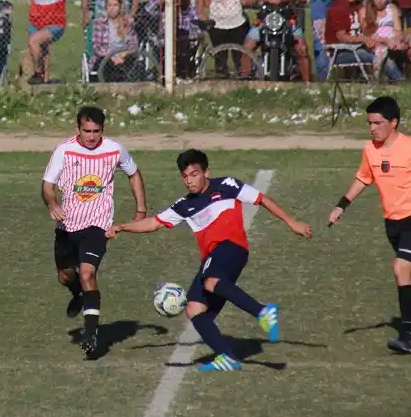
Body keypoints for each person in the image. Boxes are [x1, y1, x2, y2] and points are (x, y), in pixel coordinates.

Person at [107, 149, 312, 371]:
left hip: (231, 247)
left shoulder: (227, 185)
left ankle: (262, 311)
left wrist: (292, 222)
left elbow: (261, 199)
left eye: (194, 174)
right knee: (195, 308)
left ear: (206, 172)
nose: (189, 181)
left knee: (210, 281)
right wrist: (122, 226)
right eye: (185, 176)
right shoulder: (184, 205)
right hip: (214, 257)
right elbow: (154, 223)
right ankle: (228, 357)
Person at [41, 106, 147, 357]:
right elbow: (47, 186)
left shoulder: (114, 149)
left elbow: (133, 174)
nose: (91, 136)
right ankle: (77, 292)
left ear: (103, 129)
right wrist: (53, 203)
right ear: (78, 129)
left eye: (96, 131)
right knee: (66, 276)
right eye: (86, 131)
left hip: (97, 225)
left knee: (88, 273)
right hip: (68, 226)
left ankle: (91, 334)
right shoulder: (64, 150)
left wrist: (141, 209)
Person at [328, 97, 411, 353]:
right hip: (392, 223)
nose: (372, 128)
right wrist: (341, 205)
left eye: (378, 123)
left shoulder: (409, 148)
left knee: (401, 268)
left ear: (393, 123)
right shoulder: (370, 150)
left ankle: (408, 335)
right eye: (369, 123)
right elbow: (364, 179)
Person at [25, 0, 69, 85]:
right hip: (36, 21)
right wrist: (34, 3)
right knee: (43, 48)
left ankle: (38, 73)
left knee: (33, 41)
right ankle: (45, 79)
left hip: (55, 22)